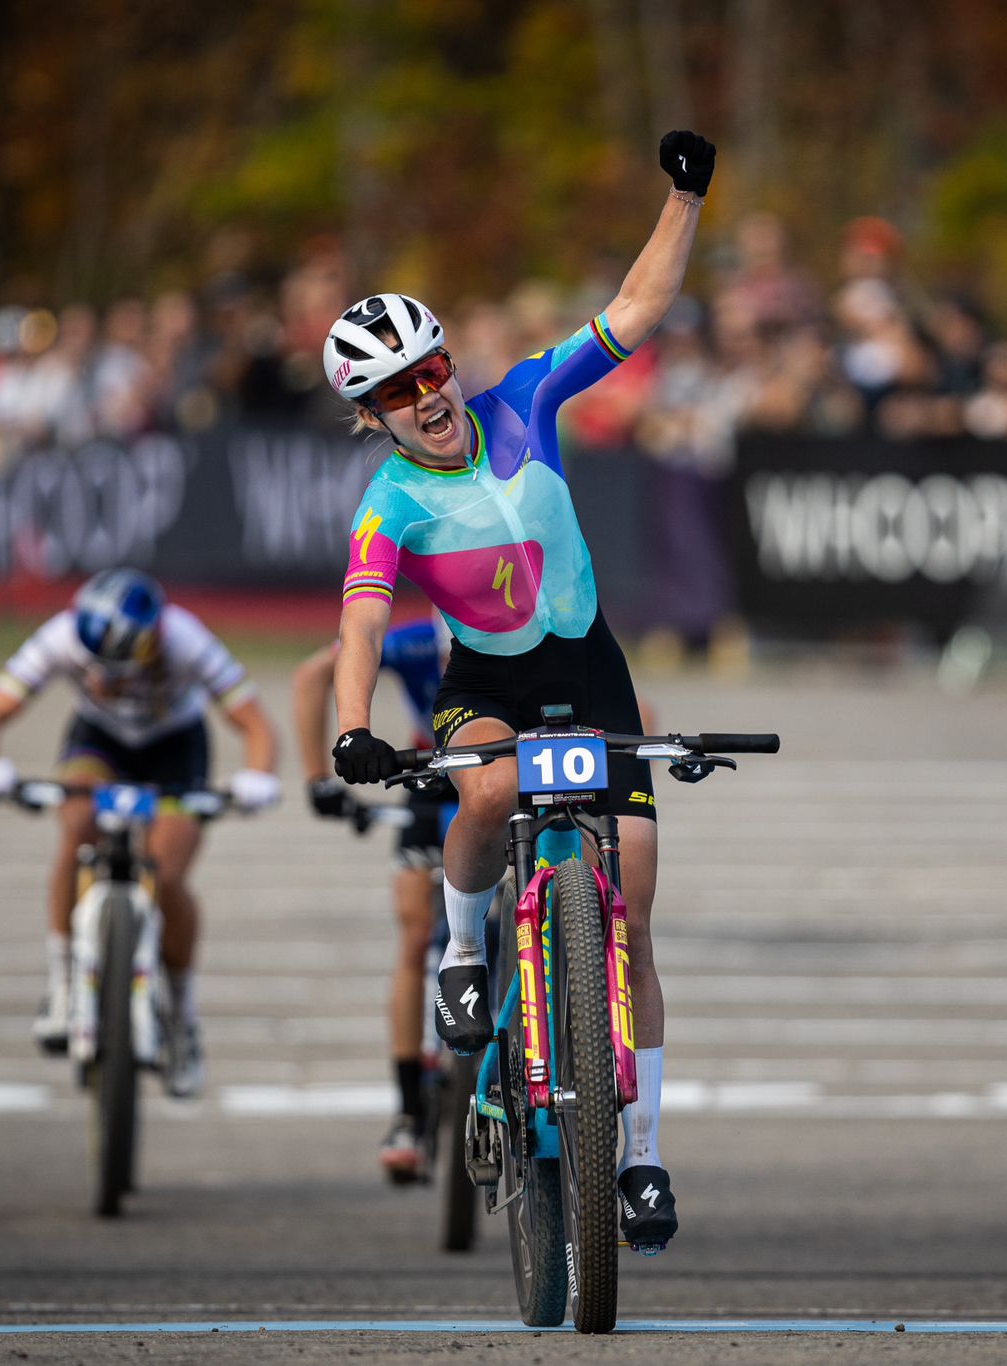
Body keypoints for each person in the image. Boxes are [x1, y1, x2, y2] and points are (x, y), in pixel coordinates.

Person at [322, 130, 716, 1252]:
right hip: (484, 680)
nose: (426, 398)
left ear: (451, 364)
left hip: (591, 666)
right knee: (486, 793)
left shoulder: (525, 402)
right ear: (373, 417)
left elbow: (633, 312)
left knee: (631, 907)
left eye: (431, 370)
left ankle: (639, 1155)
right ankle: (460, 951)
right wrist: (352, 729)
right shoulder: (386, 504)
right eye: (397, 392)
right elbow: (358, 621)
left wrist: (683, 199)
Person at [0, 569, 283, 1099]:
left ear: (152, 640)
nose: (109, 680)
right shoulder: (61, 636)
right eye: (97, 671)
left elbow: (256, 724)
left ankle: (182, 1018)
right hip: (100, 740)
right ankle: (63, 984)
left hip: (176, 747)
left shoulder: (185, 638)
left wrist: (258, 777)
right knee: (76, 831)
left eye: (120, 670)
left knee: (170, 872)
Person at [293, 617, 454, 1181]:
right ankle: (409, 1108)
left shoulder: (533, 630)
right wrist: (319, 776)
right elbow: (314, 674)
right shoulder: (414, 643)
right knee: (415, 937)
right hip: (433, 789)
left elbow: (632, 706)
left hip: (510, 785)